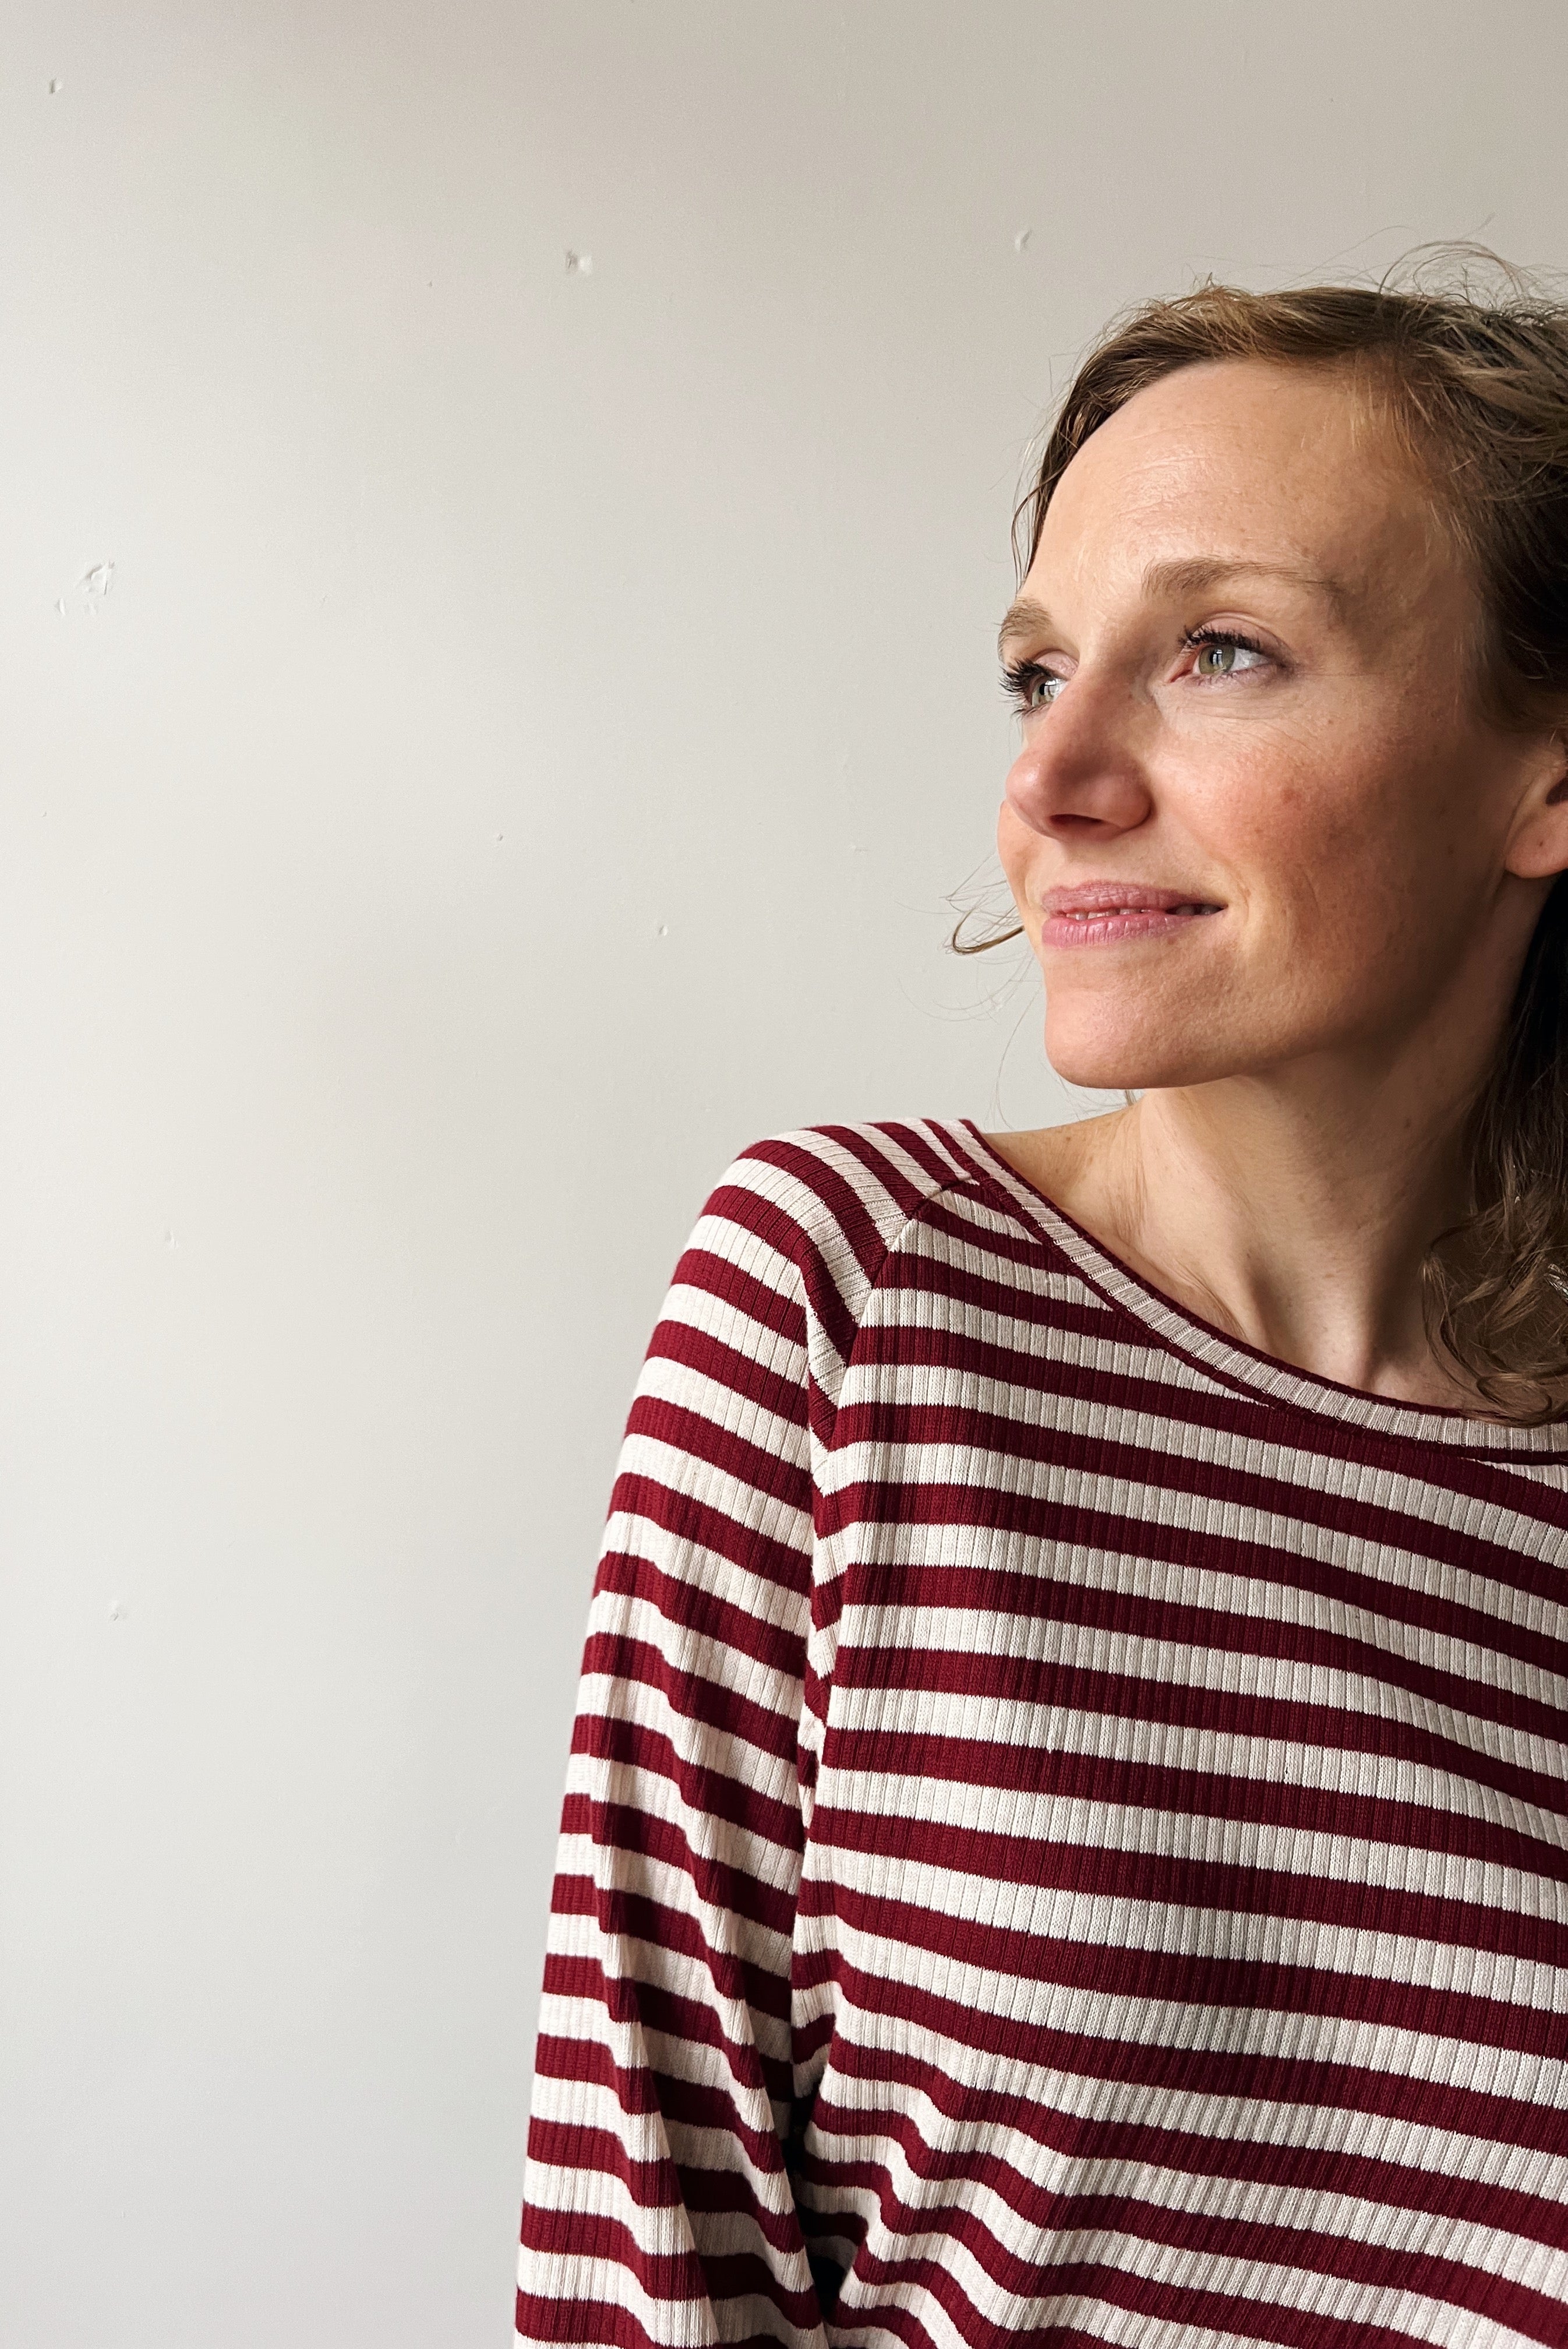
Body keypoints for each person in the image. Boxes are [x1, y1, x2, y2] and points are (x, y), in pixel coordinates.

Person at [515, 265, 1568, 2349]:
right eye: (1031, 676)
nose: (1056, 778)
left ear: (1539, 780)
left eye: (1221, 653)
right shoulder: (853, 1297)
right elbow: (651, 2248)